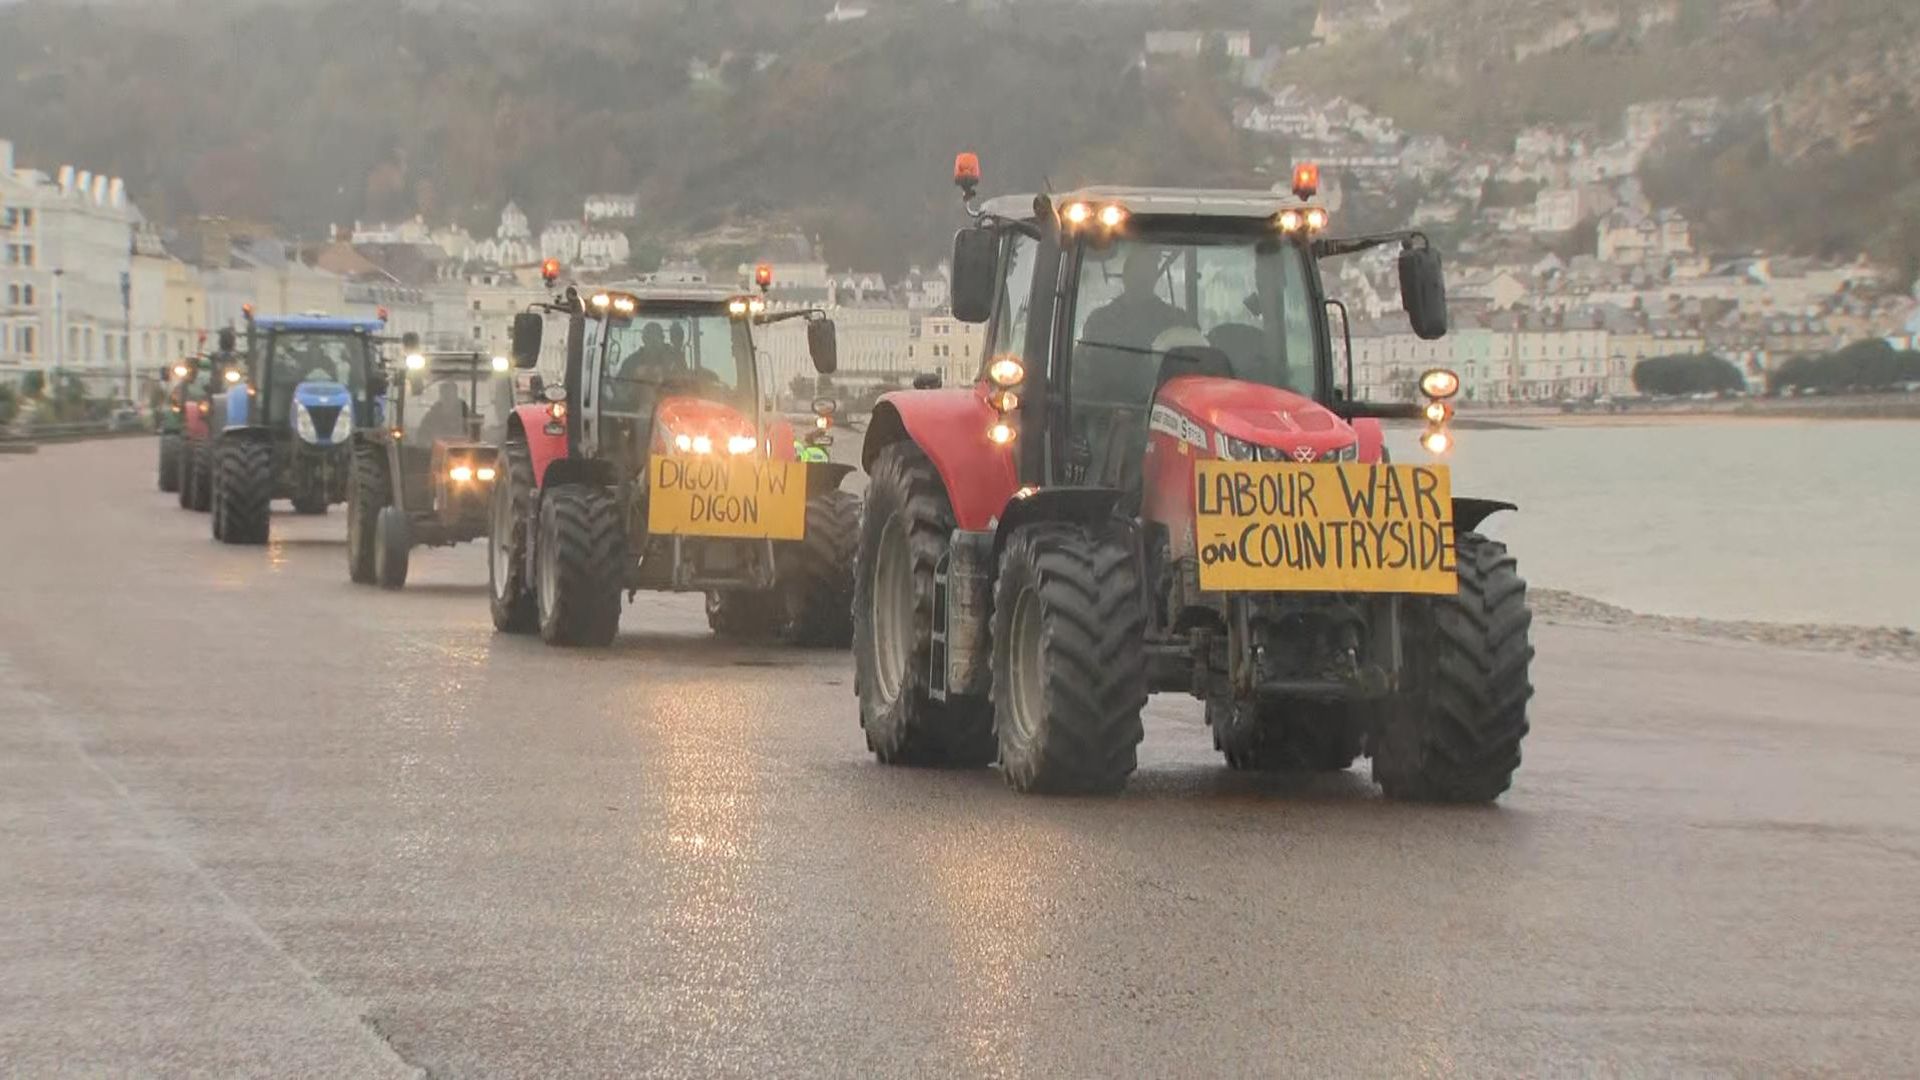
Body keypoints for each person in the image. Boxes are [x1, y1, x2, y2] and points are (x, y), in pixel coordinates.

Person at [1077, 245, 1194, 405]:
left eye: (1146, 273)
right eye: (1137, 273)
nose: (1141, 279)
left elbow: (1194, 370)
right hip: (1105, 413)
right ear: (1126, 276)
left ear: (1154, 277)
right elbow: (1082, 376)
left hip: (1164, 413)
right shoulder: (1099, 321)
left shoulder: (1176, 321)